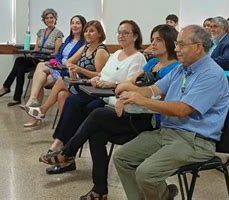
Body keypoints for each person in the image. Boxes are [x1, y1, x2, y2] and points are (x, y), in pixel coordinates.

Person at [39, 24, 180, 200]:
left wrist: (129, 92)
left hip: (150, 119)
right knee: (97, 133)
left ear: (171, 42)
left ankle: (67, 152)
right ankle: (99, 190)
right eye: (152, 39)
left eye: (159, 40)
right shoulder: (152, 63)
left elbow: (158, 97)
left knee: (98, 114)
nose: (153, 43)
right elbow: (129, 83)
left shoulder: (175, 69)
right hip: (132, 111)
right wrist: (126, 92)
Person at [112, 25, 229, 200]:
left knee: (146, 173)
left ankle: (163, 196)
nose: (176, 49)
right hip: (168, 133)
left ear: (198, 46)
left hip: (196, 141)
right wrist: (131, 94)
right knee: (122, 158)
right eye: (176, 44)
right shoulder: (181, 69)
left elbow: (182, 109)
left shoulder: (211, 74)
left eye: (181, 45)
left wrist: (143, 101)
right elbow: (153, 89)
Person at [41, 20, 147, 174]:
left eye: (126, 33)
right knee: (71, 101)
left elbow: (131, 85)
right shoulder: (117, 53)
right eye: (119, 32)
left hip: (113, 99)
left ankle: (65, 153)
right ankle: (61, 149)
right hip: (100, 93)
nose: (121, 36)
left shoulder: (138, 58)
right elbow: (102, 74)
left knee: (83, 111)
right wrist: (96, 79)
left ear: (135, 36)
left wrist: (111, 84)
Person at [25, 20, 109, 127]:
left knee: (61, 80)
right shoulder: (86, 47)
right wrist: (71, 67)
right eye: (86, 31)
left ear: (100, 33)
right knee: (61, 95)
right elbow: (69, 61)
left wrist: (80, 70)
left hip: (91, 86)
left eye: (91, 31)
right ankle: (66, 128)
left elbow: (100, 75)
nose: (88, 33)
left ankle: (43, 110)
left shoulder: (100, 51)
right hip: (81, 82)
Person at [0, 8, 64, 106]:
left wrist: (44, 55)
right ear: (44, 20)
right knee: (20, 65)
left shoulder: (58, 33)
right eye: (47, 18)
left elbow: (56, 53)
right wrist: (32, 54)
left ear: (55, 19)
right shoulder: (40, 32)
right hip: (36, 58)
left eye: (51, 17)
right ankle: (15, 97)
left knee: (19, 62)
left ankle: (7, 88)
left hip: (47, 60)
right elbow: (36, 49)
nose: (49, 20)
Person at [21, 15, 87, 111]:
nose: (74, 25)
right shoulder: (69, 39)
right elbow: (59, 55)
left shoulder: (83, 43)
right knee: (39, 81)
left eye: (77, 23)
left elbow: (74, 61)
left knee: (39, 77)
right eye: (72, 23)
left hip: (66, 70)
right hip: (58, 67)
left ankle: (33, 106)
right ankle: (34, 106)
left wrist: (59, 64)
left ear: (83, 25)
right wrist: (55, 62)